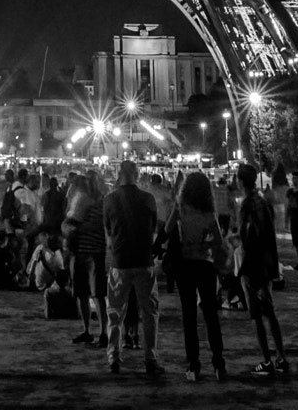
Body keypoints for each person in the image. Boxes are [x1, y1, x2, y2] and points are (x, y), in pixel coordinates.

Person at [165, 168, 227, 384]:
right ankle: (219, 363)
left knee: (189, 316)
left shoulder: (181, 208)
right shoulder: (209, 212)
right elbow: (218, 239)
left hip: (184, 264)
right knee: (211, 315)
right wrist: (204, 242)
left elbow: (167, 227)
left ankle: (193, 364)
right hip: (205, 264)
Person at [103, 157, 162, 379]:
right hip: (143, 259)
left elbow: (108, 228)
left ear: (119, 174)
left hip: (120, 260)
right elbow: (153, 227)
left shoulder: (110, 199)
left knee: (116, 312)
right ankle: (150, 358)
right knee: (149, 312)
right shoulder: (148, 198)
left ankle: (114, 357)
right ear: (137, 174)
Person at [236, 161, 286, 377]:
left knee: (256, 316)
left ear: (240, 182)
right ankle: (281, 357)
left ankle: (266, 360)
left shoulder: (247, 204)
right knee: (270, 312)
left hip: (252, 264)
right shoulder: (263, 202)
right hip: (266, 264)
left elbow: (245, 236)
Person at [66, 171, 108, 348]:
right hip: (79, 252)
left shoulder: (102, 202)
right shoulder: (83, 200)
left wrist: (76, 228)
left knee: (97, 294)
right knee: (81, 293)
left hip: (94, 252)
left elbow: (97, 225)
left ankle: (104, 332)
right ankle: (87, 330)